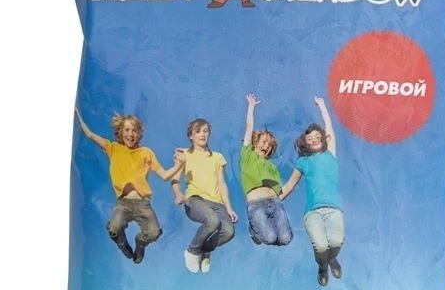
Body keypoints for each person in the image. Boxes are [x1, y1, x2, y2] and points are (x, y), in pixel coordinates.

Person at [75, 107, 183, 263]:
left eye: (134, 130)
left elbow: (165, 175)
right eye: (126, 130)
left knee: (154, 233)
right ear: (120, 132)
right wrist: (77, 113)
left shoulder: (146, 153)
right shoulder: (113, 148)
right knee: (114, 228)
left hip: (143, 204)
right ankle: (122, 244)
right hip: (123, 203)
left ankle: (140, 244)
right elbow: (90, 135)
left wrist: (179, 164)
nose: (130, 134)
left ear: (139, 134)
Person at [280, 97, 344, 286]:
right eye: (310, 139)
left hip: (333, 210)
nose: (314, 139)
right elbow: (289, 185)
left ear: (323, 139)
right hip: (312, 212)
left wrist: (322, 105)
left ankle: (332, 260)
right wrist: (274, 200)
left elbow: (329, 127)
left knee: (336, 243)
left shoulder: (330, 153)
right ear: (305, 144)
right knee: (321, 246)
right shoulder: (303, 162)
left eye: (317, 136)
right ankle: (323, 267)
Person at [172, 118, 238, 273]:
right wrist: (178, 193)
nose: (202, 134)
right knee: (212, 220)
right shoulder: (185, 154)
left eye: (205, 131)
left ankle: (205, 249)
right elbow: (175, 179)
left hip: (217, 203)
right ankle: (193, 251)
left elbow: (222, 184)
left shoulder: (218, 157)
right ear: (191, 136)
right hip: (195, 200)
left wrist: (229, 208)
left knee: (229, 232)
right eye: (198, 131)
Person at [240, 94, 293, 246]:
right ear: (255, 143)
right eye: (264, 142)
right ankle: (253, 230)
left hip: (275, 203)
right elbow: (249, 127)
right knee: (269, 238)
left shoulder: (272, 167)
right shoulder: (248, 155)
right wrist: (251, 107)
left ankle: (273, 232)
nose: (266, 146)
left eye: (270, 146)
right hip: (256, 204)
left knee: (285, 239)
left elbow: (280, 191)